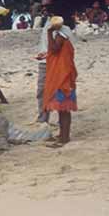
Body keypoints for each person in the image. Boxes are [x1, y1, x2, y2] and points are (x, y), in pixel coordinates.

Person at [43, 16, 78, 147]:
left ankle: (64, 137)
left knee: (63, 109)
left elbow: (54, 49)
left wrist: (48, 33)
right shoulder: (65, 36)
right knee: (63, 109)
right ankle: (63, 134)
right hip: (63, 76)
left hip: (62, 78)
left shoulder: (61, 36)